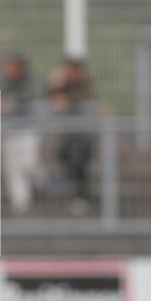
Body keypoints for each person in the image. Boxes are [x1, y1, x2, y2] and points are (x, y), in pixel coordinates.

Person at [48, 57, 95, 215]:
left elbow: (86, 101)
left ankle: (81, 196)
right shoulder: (62, 84)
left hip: (83, 137)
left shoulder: (86, 85)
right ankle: (69, 190)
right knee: (64, 158)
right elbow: (51, 98)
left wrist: (67, 100)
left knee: (81, 164)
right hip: (67, 136)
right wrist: (56, 84)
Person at [1, 53, 43, 214]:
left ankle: (41, 179)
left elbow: (29, 99)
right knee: (13, 167)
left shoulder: (30, 82)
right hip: (10, 131)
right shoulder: (5, 83)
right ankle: (20, 201)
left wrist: (11, 103)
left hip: (27, 129)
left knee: (28, 162)